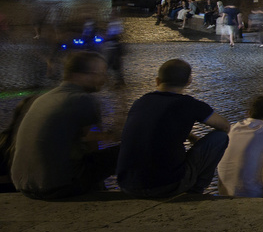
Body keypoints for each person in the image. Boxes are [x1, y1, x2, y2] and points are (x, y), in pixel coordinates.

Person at [10, 52, 119, 198]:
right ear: (78, 75)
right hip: (59, 185)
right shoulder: (83, 99)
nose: (104, 79)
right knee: (125, 149)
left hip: (25, 186)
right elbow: (93, 146)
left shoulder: (43, 98)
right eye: (99, 74)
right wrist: (115, 135)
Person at [117, 59, 231, 197]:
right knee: (220, 137)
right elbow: (224, 126)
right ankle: (196, 191)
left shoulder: (140, 102)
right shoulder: (189, 104)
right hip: (166, 185)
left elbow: (156, 128)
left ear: (157, 81)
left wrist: (189, 135)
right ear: (188, 82)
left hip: (127, 185)